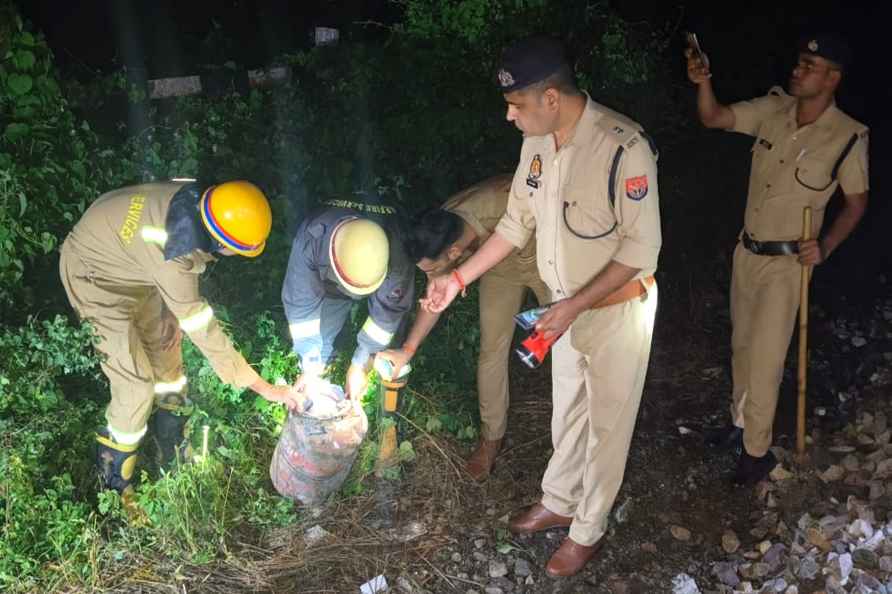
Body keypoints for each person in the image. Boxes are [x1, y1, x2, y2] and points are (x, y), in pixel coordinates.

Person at [423, 36, 661, 577]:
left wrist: (574, 305)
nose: (509, 117)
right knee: (567, 412)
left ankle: (588, 528)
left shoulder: (623, 147)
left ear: (551, 97)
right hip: (564, 309)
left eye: (516, 106)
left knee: (606, 426)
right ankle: (559, 500)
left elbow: (642, 253)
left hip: (616, 311)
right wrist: (457, 277)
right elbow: (514, 224)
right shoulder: (537, 143)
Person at [686, 34, 869, 485]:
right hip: (746, 250)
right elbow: (714, 118)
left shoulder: (848, 135)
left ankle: (756, 453)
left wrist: (824, 246)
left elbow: (857, 203)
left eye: (810, 65)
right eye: (799, 61)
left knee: (766, 358)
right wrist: (703, 82)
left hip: (788, 264)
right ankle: (739, 425)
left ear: (832, 77)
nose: (798, 70)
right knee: (742, 346)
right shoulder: (774, 111)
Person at [60, 180, 303, 503]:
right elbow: (203, 329)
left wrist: (172, 312)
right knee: (136, 385)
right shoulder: (174, 251)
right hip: (94, 277)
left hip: (131, 266)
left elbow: (156, 262)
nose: (237, 256)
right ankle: (115, 488)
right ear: (220, 241)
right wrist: (267, 388)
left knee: (167, 356)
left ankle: (171, 451)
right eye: (238, 250)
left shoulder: (198, 198)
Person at [375, 174, 550, 480]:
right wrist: (408, 348)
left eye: (431, 270)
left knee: (568, 341)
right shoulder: (442, 228)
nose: (429, 276)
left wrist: (456, 278)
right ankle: (491, 439)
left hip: (545, 256)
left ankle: (574, 435)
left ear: (454, 254)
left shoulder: (496, 203)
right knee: (491, 349)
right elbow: (437, 296)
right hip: (500, 269)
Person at [281, 206, 414, 400]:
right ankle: (318, 375)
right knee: (317, 354)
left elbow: (388, 313)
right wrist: (310, 363)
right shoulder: (312, 238)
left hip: (383, 272)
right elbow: (301, 307)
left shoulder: (397, 252)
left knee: (390, 342)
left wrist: (360, 364)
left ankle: (390, 404)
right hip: (332, 287)